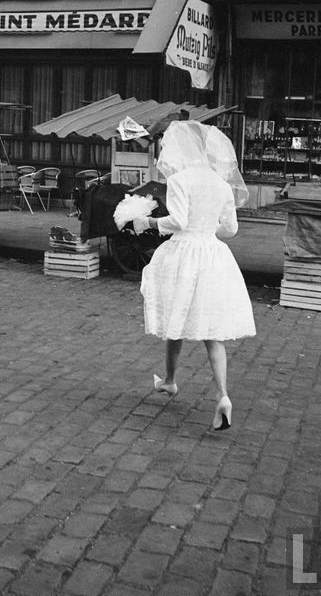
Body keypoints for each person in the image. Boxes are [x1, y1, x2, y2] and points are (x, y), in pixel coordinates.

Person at [134, 120, 256, 431]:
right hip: (212, 255)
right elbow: (231, 229)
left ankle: (172, 380)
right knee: (211, 331)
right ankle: (222, 395)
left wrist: (147, 223)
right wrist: (207, 229)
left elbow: (178, 220)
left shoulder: (180, 181)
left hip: (185, 255)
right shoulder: (220, 184)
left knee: (178, 317)